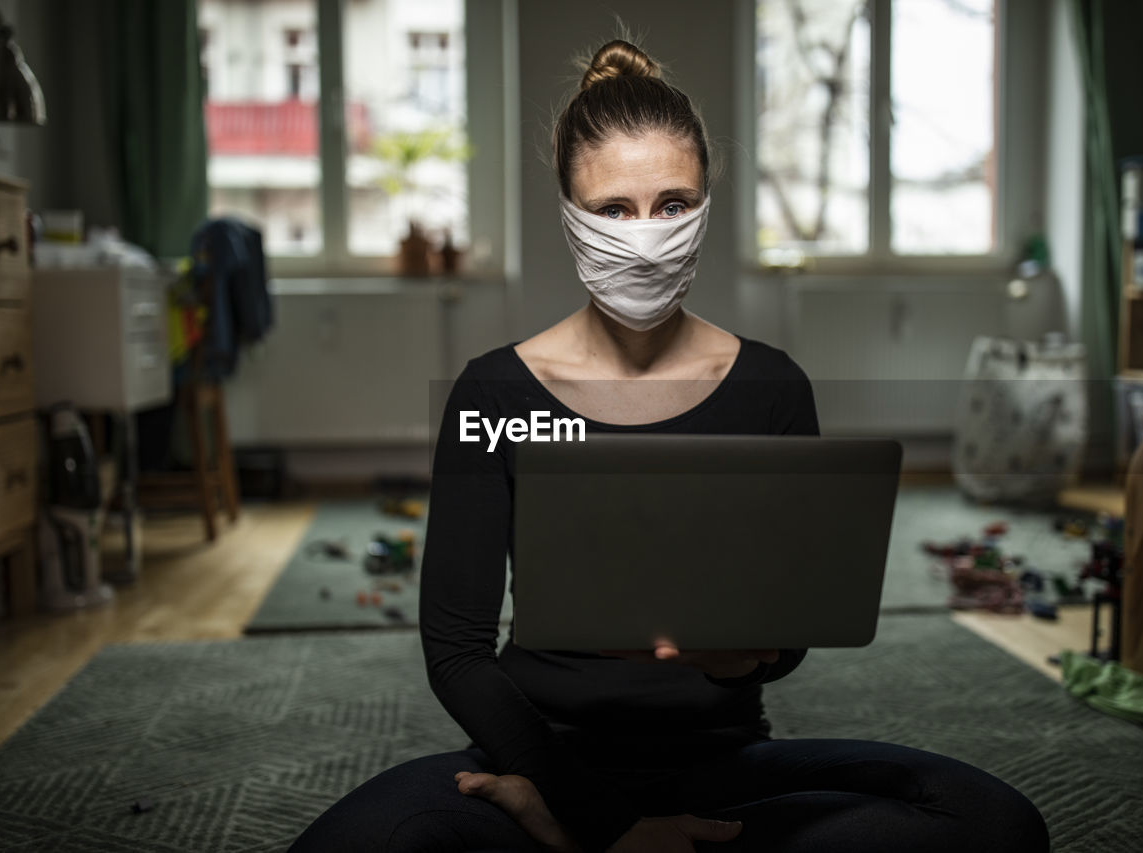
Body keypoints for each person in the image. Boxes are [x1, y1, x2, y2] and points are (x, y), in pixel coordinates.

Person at [290, 38, 1050, 853]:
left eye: (673, 204)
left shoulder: (774, 387)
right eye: (613, 209)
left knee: (989, 821)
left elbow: (785, 639)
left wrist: (738, 662)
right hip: (538, 761)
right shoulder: (494, 393)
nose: (645, 236)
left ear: (705, 208)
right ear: (568, 211)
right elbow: (458, 652)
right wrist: (598, 818)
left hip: (719, 763)